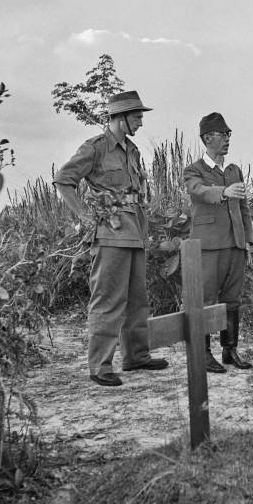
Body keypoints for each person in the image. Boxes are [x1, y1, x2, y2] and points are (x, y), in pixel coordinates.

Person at [53, 90, 168, 387]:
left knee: (138, 302)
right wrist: (84, 216)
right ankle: (100, 366)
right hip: (110, 235)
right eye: (137, 116)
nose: (141, 122)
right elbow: (64, 180)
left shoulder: (132, 150)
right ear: (121, 117)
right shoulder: (95, 148)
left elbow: (137, 192)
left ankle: (136, 356)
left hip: (135, 234)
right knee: (108, 301)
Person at [183, 112, 253, 373]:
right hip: (208, 245)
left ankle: (229, 349)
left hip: (235, 244)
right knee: (205, 300)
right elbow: (198, 192)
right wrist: (223, 192)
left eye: (228, 135)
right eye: (222, 135)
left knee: (232, 299)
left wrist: (247, 241)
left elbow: (243, 207)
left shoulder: (234, 170)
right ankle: (203, 353)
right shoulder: (194, 170)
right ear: (206, 138)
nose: (226, 139)